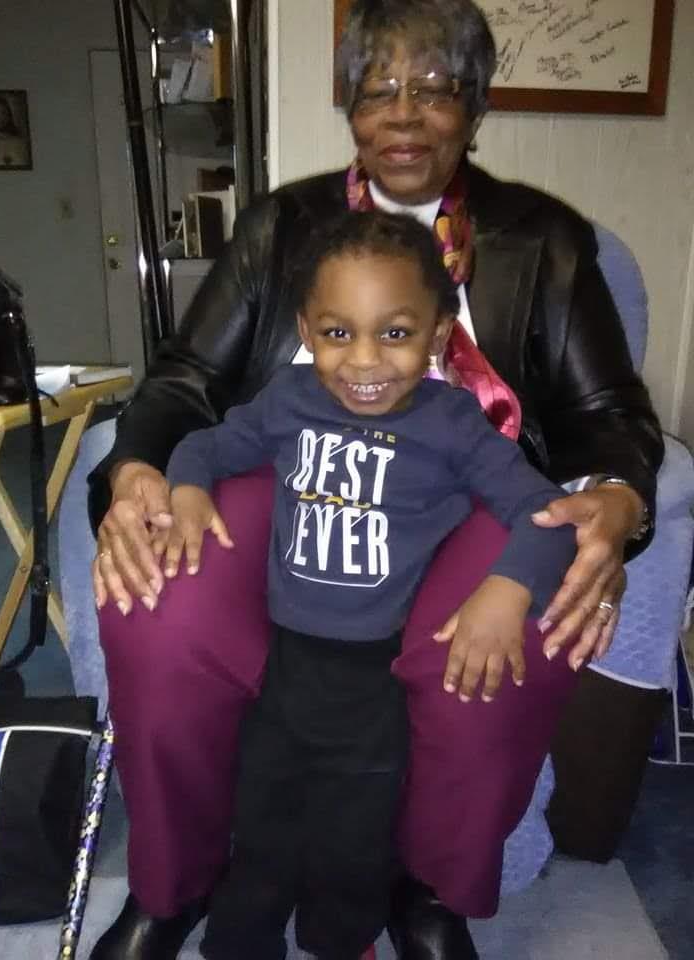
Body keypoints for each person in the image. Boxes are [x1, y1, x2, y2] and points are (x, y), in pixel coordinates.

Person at [88, 2, 664, 959]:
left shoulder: (547, 237)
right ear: (348, 107)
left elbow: (610, 418)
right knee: (163, 598)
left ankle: (429, 888)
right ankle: (174, 884)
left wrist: (619, 498)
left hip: (478, 485)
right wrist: (143, 468)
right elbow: (189, 380)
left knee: (517, 619)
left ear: (474, 108)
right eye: (378, 90)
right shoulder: (285, 224)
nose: (404, 115)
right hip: (299, 471)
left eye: (435, 90)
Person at [165, 210, 578, 960]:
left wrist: (506, 590)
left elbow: (546, 516)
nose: (364, 362)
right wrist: (190, 487)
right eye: (335, 333)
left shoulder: (454, 425)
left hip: (375, 688)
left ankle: (337, 943)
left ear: (439, 332)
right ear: (305, 328)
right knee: (259, 831)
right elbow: (204, 443)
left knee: (352, 851)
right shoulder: (288, 402)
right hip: (284, 673)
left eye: (394, 333)